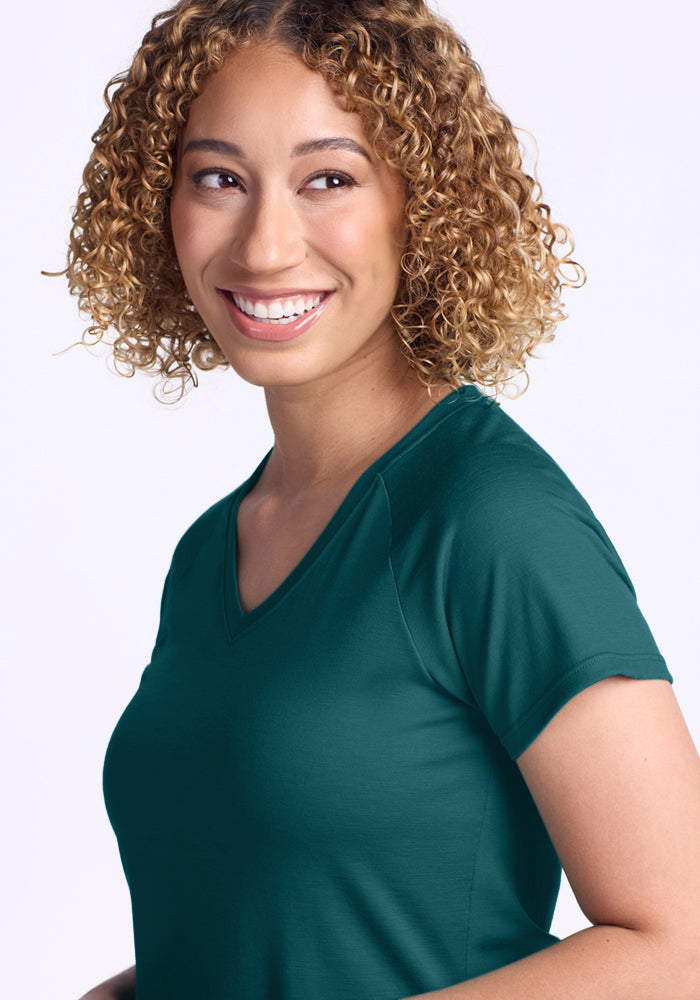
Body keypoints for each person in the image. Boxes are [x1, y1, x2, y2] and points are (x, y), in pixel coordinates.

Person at [66, 1, 700, 998]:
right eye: (219, 178)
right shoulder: (208, 553)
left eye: (328, 178)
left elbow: (677, 942)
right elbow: (273, 918)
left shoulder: (489, 517)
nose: (266, 245)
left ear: (424, 202)